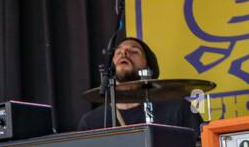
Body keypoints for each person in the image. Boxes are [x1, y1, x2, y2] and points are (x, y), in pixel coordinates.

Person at [76, 36, 204, 135]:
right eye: (118, 52)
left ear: (148, 66)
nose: (124, 53)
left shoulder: (178, 109)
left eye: (134, 52)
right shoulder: (92, 122)